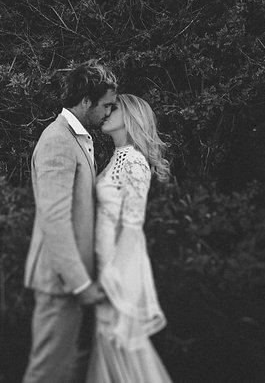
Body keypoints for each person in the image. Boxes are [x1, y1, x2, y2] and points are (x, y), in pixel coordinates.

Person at [22, 61, 118, 383]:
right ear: (86, 101)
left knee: (63, 372)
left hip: (70, 282)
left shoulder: (77, 137)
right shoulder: (57, 141)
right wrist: (80, 283)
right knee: (47, 373)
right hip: (59, 282)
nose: (109, 112)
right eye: (106, 105)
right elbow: (55, 220)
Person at [88, 94, 173, 383]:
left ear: (131, 116)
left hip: (117, 275)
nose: (106, 111)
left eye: (114, 108)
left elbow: (132, 226)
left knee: (123, 361)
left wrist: (111, 277)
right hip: (103, 267)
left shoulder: (134, 161)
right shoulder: (115, 158)